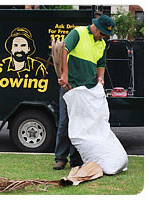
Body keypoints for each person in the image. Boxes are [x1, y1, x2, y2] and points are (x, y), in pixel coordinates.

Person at [53, 14, 116, 170]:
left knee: (82, 125)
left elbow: (101, 64)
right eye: (102, 33)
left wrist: (100, 78)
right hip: (70, 87)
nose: (103, 37)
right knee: (65, 122)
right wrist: (65, 74)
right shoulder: (78, 33)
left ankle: (76, 160)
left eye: (106, 35)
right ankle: (60, 158)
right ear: (95, 27)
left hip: (87, 91)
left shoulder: (101, 44)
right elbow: (63, 51)